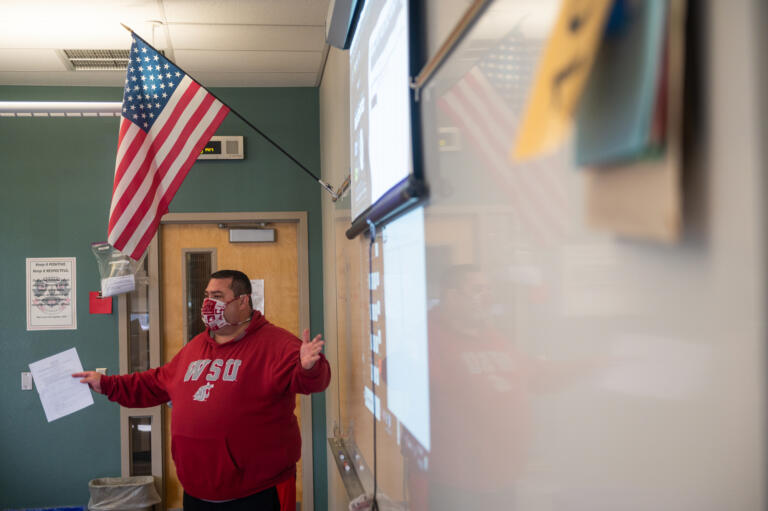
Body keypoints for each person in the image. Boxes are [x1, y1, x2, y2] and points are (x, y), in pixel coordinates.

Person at [73, 270, 331, 511]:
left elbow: (312, 383)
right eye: (207, 296)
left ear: (243, 301)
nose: (209, 303)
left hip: (257, 491)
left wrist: (310, 367)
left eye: (218, 297)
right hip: (197, 490)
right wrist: (105, 383)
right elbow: (157, 382)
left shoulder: (278, 343)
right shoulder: (197, 346)